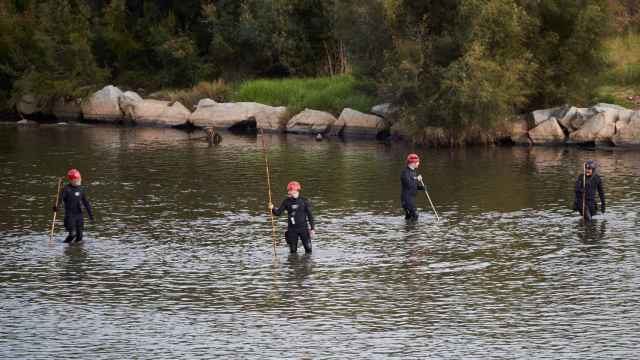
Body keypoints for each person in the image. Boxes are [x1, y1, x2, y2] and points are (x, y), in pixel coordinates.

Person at [269, 181, 315, 253]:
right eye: (288, 190)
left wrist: (312, 229)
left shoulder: (304, 201)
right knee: (293, 251)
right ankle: (293, 262)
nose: (288, 192)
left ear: (295, 190)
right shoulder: (286, 202)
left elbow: (310, 215)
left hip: (304, 229)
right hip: (292, 230)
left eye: (290, 190)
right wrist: (272, 208)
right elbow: (278, 213)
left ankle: (305, 263)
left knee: (308, 249)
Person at [53, 169, 94, 243]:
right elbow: (59, 200)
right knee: (72, 234)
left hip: (79, 216)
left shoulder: (81, 189)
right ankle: (65, 245)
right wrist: (56, 207)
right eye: (77, 179)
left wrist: (90, 214)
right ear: (71, 180)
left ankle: (75, 250)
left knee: (80, 237)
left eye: (79, 178)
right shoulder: (66, 189)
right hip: (70, 216)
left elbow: (86, 203)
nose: (79, 180)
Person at [401, 153, 424, 222]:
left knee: (409, 216)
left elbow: (414, 186)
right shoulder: (405, 172)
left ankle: (408, 230)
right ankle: (412, 231)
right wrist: (417, 179)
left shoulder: (413, 172)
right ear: (412, 163)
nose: (419, 163)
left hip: (411, 198)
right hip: (406, 199)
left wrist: (421, 187)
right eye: (417, 162)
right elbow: (408, 184)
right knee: (415, 215)